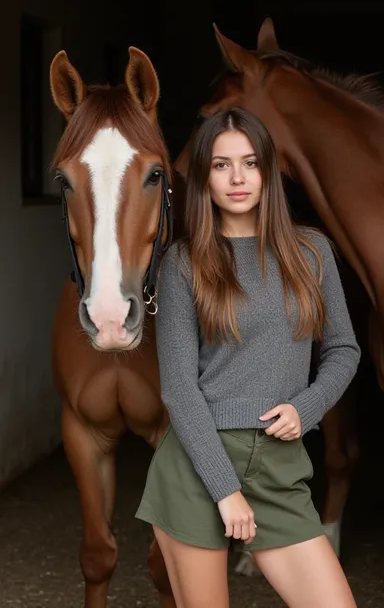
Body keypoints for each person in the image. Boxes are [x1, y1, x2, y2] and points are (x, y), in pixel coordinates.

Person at [136, 108, 361, 608]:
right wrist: (224, 490)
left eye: (250, 162)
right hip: (199, 468)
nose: (237, 178)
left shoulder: (312, 252)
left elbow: (344, 348)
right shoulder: (183, 263)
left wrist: (308, 407)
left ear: (268, 172)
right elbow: (178, 388)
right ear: (203, 178)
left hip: (281, 469)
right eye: (221, 165)